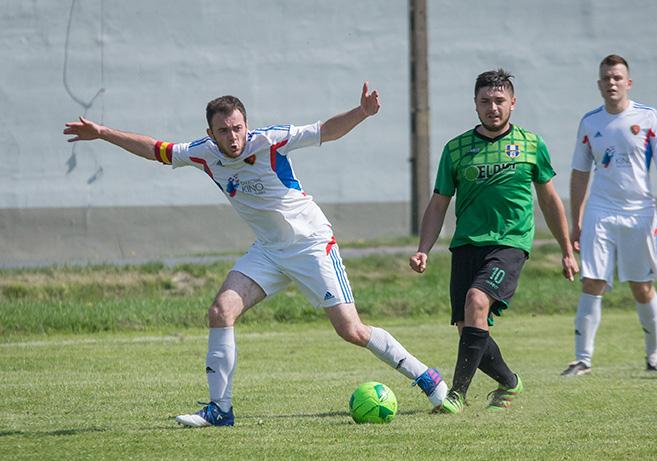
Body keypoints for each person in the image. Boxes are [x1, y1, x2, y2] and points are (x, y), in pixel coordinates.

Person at [63, 82, 448, 426]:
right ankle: (220, 410)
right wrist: (102, 133)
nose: (232, 137)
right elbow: (154, 149)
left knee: (352, 331)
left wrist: (361, 113)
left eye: (237, 128)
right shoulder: (203, 154)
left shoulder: (271, 141)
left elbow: (325, 131)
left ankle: (425, 376)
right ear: (210, 134)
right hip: (267, 251)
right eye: (223, 131)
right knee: (220, 311)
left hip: (311, 244)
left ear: (247, 125)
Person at [410, 69, 578, 413]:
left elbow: (549, 200)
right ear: (475, 104)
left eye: (499, 100)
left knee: (476, 300)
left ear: (513, 103)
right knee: (468, 327)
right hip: (466, 245)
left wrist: (566, 250)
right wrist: (423, 249)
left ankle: (455, 395)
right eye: (485, 101)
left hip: (510, 243)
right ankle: (509, 382)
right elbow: (439, 201)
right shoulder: (456, 149)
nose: (493, 107)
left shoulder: (532, 145)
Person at [561, 54, 657, 376]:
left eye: (617, 78)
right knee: (592, 281)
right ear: (599, 84)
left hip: (640, 213)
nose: (611, 83)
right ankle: (582, 359)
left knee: (642, 287)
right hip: (600, 211)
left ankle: (655, 356)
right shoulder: (590, 123)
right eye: (606, 78)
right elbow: (579, 172)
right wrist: (576, 221)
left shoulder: (649, 117)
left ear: (628, 83)